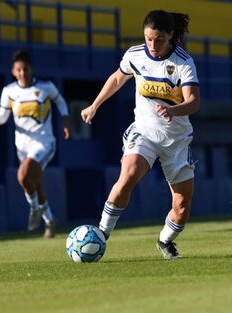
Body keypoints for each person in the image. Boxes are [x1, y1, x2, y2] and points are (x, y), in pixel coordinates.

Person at [81, 10, 200, 260]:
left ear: (170, 36)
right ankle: (101, 236)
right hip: (144, 131)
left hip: (176, 140)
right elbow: (117, 78)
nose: (153, 45)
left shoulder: (183, 62)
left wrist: (173, 109)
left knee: (181, 207)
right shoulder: (134, 54)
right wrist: (94, 105)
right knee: (128, 176)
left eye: (159, 40)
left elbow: (193, 102)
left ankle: (165, 240)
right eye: (148, 39)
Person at [0, 49, 71, 238]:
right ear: (13, 72)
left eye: (25, 69)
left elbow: (61, 101)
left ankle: (34, 209)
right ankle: (50, 221)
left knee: (23, 175)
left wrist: (65, 120)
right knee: (36, 183)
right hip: (22, 146)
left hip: (44, 143)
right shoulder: (9, 92)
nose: (22, 73)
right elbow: (2, 116)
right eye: (19, 70)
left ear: (31, 69)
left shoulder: (45, 87)